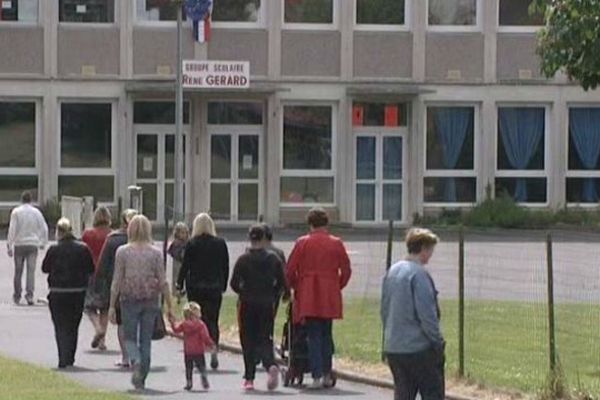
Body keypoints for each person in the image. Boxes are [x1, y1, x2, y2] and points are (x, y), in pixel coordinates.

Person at [286, 207, 352, 389]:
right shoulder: (336, 243)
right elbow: (346, 270)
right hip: (329, 290)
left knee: (313, 334)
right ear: (326, 223)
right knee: (326, 333)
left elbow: (290, 269)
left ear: (310, 224)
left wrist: (296, 287)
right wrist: (337, 285)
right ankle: (326, 372)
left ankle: (316, 375)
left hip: (308, 290)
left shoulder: (302, 243)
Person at [109, 214, 174, 390]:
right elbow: (163, 281)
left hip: (128, 299)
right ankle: (142, 374)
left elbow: (117, 280)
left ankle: (135, 360)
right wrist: (169, 305)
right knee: (146, 339)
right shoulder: (155, 253)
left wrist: (111, 306)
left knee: (130, 337)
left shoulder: (122, 251)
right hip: (150, 299)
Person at [380, 228, 445, 400]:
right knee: (432, 392)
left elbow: (384, 309)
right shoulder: (419, 275)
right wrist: (437, 341)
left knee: (403, 393)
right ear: (423, 248)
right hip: (418, 347)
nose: (431, 255)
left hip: (394, 345)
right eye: (430, 250)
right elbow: (427, 314)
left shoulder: (392, 271)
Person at [230, 225, 286, 391]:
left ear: (250, 238)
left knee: (247, 338)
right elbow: (282, 282)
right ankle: (270, 365)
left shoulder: (243, 260)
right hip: (267, 303)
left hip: (247, 302)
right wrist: (274, 294)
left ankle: (249, 377)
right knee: (265, 336)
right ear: (263, 239)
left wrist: (243, 291)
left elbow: (233, 283)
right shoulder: (274, 259)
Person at [177, 212, 229, 370]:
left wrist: (179, 284)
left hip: (195, 287)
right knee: (212, 320)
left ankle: (195, 354)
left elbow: (185, 266)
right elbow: (225, 267)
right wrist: (223, 285)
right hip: (214, 287)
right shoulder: (220, 243)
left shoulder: (192, 244)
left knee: (195, 322)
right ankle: (213, 349)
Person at [41, 218, 94, 369]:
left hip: (57, 292)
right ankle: (70, 357)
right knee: (73, 325)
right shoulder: (83, 248)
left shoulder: (54, 249)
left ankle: (62, 357)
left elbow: (45, 268)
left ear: (58, 231)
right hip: (77, 292)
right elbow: (91, 268)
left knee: (60, 326)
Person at [92, 209, 137, 367]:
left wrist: (99, 282)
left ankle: (126, 356)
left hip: (119, 288)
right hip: (141, 287)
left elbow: (102, 266)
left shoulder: (113, 240)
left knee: (122, 323)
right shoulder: (145, 241)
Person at [7, 191, 48, 305]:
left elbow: (12, 229)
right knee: (31, 271)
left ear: (21, 200)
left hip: (19, 244)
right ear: (31, 200)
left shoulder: (16, 212)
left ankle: (17, 295)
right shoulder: (37, 212)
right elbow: (44, 227)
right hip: (32, 244)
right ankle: (29, 295)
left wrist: (10, 245)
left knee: (18, 271)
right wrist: (43, 242)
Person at [82, 206, 113, 351]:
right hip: (106, 275)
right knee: (105, 308)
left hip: (91, 272)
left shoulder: (88, 234)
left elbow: (83, 252)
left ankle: (97, 328)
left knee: (90, 306)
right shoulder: (111, 235)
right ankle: (103, 341)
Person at [169, 301, 214, 391]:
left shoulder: (184, 324)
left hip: (188, 351)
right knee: (201, 366)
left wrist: (172, 323)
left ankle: (189, 381)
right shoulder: (201, 325)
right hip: (199, 350)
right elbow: (205, 336)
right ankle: (203, 376)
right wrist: (210, 344)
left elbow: (176, 330)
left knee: (188, 368)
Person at [167, 222, 189, 294]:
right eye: (182, 233)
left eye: (185, 232)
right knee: (176, 277)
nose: (184, 235)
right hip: (177, 262)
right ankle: (176, 291)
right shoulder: (175, 243)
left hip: (185, 263)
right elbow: (171, 252)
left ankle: (183, 290)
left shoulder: (188, 243)